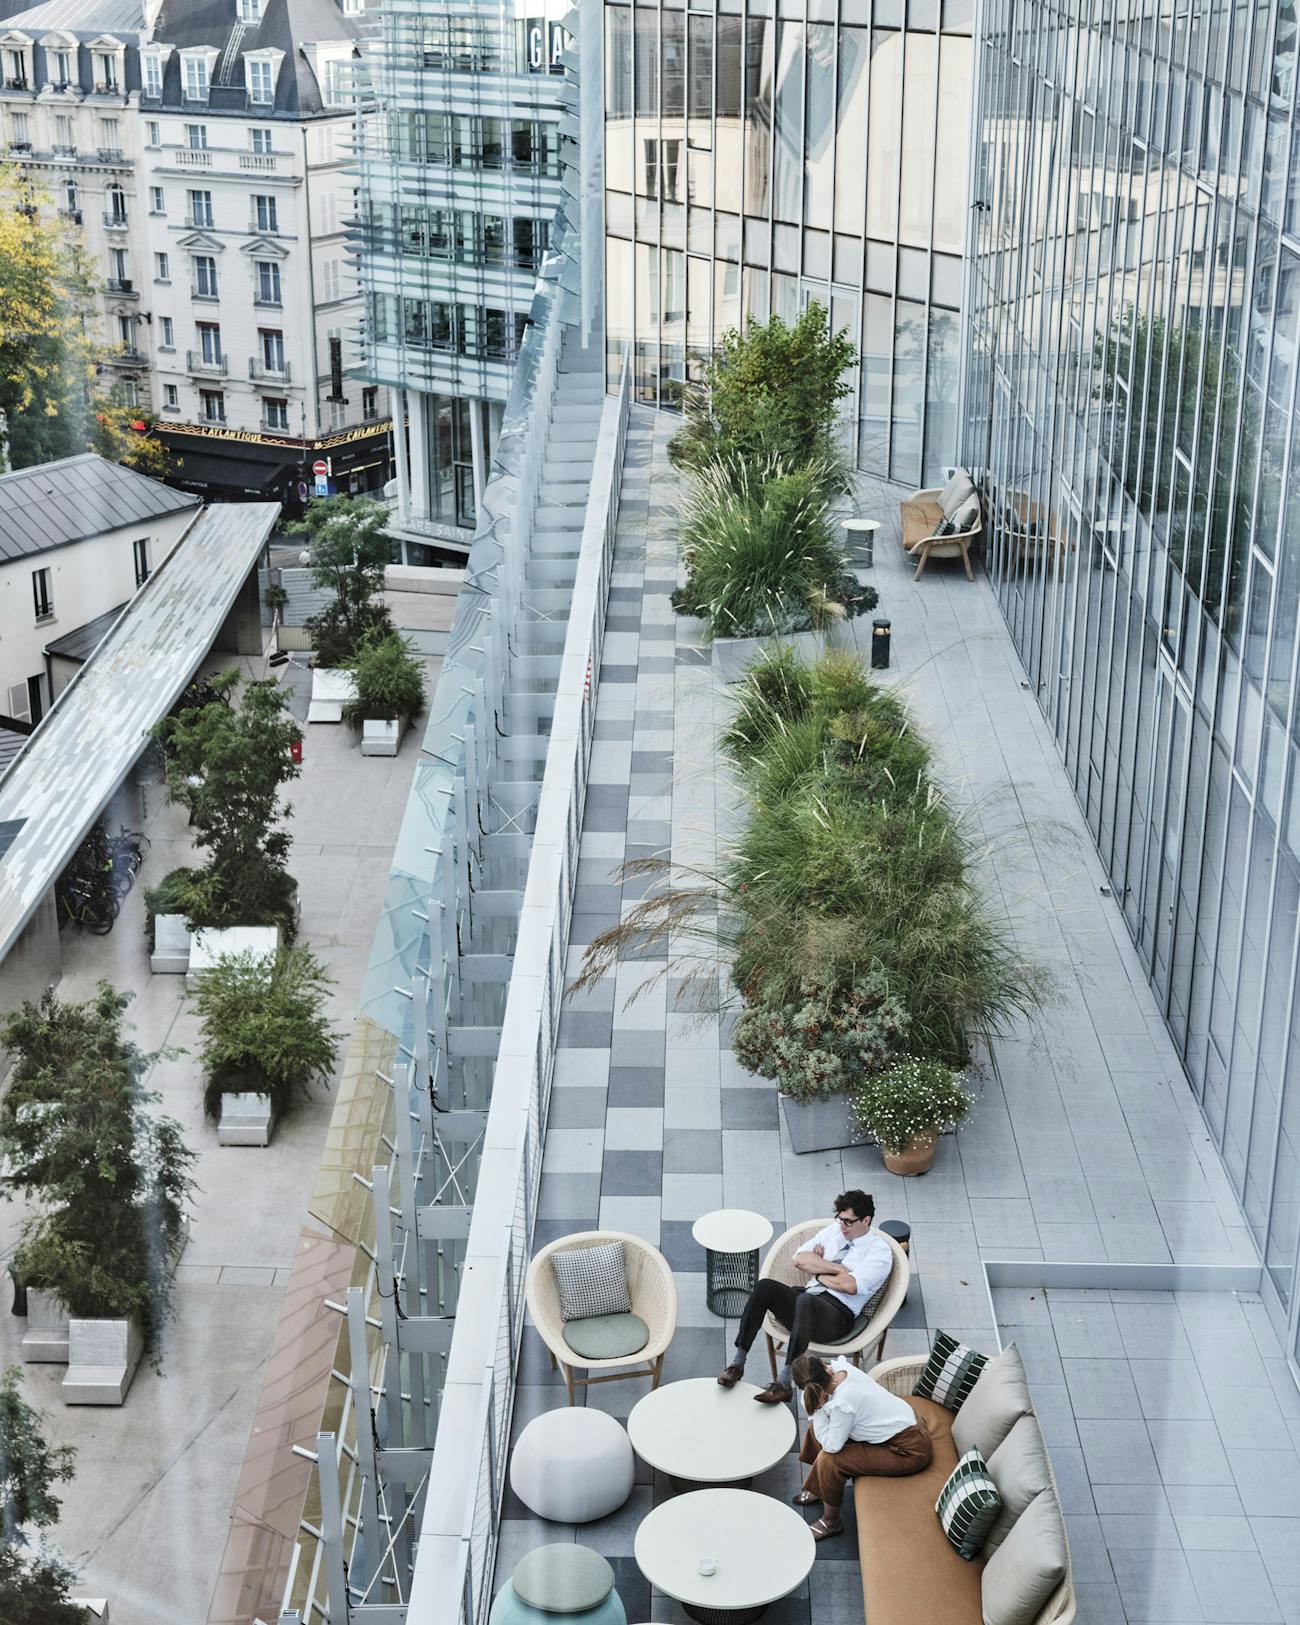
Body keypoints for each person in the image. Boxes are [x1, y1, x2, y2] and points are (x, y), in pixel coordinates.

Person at [716, 1190, 892, 1404]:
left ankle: (784, 1382)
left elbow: (850, 1285)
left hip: (837, 1315)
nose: (842, 1226)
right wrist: (836, 1269)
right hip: (806, 1300)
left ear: (866, 1220)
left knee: (805, 1300)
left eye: (848, 1222)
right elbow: (800, 1260)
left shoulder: (879, 1252)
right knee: (765, 1287)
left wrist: (818, 1269)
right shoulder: (834, 1232)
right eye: (840, 1219)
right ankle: (738, 1363)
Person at [790, 1352, 933, 1541]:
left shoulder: (843, 1402)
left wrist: (816, 1409)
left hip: (910, 1450)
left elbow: (832, 1447)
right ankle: (819, 1487)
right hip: (901, 1429)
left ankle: (831, 1522)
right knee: (816, 1431)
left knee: (830, 1460)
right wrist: (818, 1408)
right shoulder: (841, 1370)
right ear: (825, 1367)